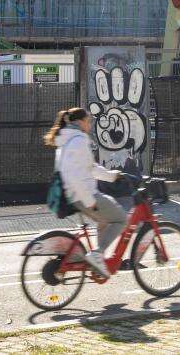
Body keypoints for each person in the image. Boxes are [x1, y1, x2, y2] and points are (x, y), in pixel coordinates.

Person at [44, 108, 125, 278]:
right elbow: (73, 175)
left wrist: (112, 176)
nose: (90, 124)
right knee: (121, 219)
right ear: (80, 122)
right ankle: (97, 254)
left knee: (104, 221)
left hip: (74, 195)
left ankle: (97, 262)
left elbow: (89, 168)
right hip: (83, 195)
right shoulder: (78, 141)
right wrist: (90, 201)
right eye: (89, 121)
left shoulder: (67, 140)